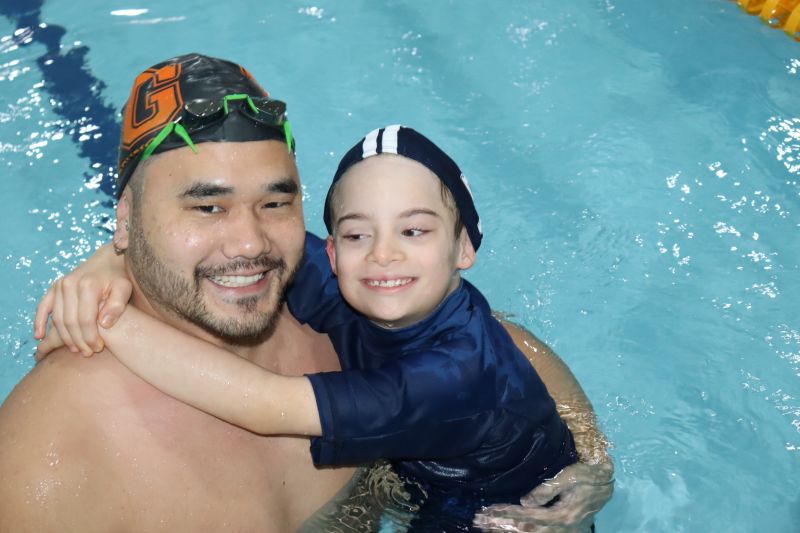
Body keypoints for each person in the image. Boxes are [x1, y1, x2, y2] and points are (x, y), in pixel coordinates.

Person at [0, 53, 611, 532]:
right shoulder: (46, 463)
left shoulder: (330, 295)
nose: (250, 243)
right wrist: (114, 265)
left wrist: (592, 464)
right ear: (127, 220)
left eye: (275, 203)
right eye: (207, 207)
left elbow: (502, 349)